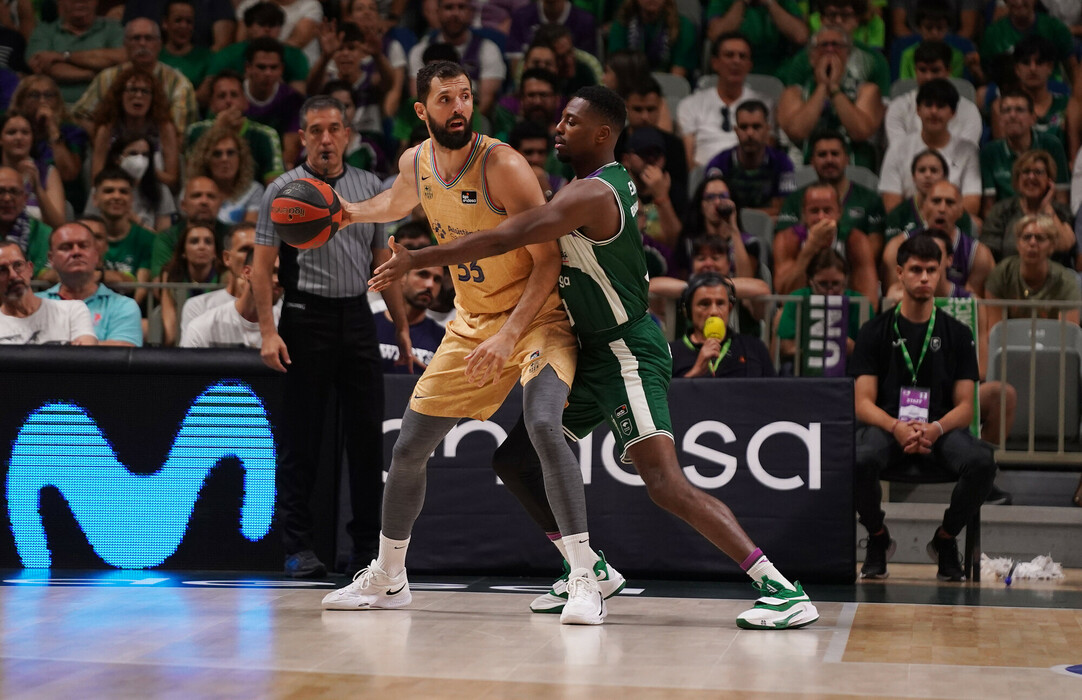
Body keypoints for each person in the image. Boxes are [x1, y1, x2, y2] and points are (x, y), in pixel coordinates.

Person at [365, 84, 820, 630]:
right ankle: (589, 569)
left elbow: (506, 236)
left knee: (664, 483)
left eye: (571, 122)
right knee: (515, 460)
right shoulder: (586, 186)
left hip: (627, 351)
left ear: (603, 134)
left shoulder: (593, 194)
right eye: (561, 119)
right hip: (592, 349)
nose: (559, 128)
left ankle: (780, 587)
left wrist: (420, 257)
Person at [319, 63, 623, 626]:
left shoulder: (504, 165)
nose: (458, 106)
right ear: (422, 110)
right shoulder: (415, 161)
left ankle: (585, 575)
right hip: (472, 322)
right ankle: (389, 575)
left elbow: (548, 261)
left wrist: (509, 336)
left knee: (542, 425)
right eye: (445, 98)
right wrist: (348, 213)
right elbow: (397, 201)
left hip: (537, 318)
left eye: (464, 96)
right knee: (409, 448)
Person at [251, 94, 413, 579]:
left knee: (366, 442)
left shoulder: (370, 186)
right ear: (303, 136)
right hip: (305, 317)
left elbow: (385, 261)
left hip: (357, 316)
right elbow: (261, 268)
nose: (326, 139)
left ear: (347, 134)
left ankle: (366, 552)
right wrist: (267, 332)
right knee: (301, 441)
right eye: (316, 130)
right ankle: (298, 547)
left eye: (334, 129)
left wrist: (402, 327)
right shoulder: (282, 190)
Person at [850, 233, 995, 581]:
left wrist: (935, 428)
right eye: (916, 270)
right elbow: (862, 403)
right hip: (888, 428)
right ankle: (877, 537)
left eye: (932, 270)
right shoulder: (874, 330)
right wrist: (896, 427)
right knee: (857, 459)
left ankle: (945, 539)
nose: (925, 278)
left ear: (941, 271)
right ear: (900, 273)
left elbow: (966, 407)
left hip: (940, 431)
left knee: (982, 462)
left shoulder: (958, 332)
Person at [776, 25, 885, 170]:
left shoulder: (867, 91)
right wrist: (822, 87)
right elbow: (798, 132)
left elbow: (860, 132)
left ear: (847, 54)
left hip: (853, 169)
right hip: (806, 170)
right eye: (824, 45)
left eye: (836, 45)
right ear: (812, 57)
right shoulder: (793, 93)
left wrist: (834, 88)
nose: (830, 50)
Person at [775, 130, 886, 266]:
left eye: (835, 154)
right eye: (822, 155)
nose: (829, 160)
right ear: (812, 161)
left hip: (854, 269)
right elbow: (785, 245)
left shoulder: (870, 199)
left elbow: (874, 247)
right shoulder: (794, 199)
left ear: (847, 159)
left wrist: (840, 269)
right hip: (806, 269)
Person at [72, 17, 198, 136]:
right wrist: (106, 140)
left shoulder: (179, 84)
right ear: (125, 45)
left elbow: (179, 134)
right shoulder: (107, 78)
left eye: (149, 38)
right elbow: (80, 115)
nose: (142, 43)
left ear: (159, 45)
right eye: (136, 38)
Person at [879, 78, 981, 219]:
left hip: (952, 222)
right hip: (909, 222)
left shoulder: (968, 150)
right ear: (918, 110)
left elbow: (971, 204)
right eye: (928, 105)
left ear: (952, 113)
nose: (934, 111)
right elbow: (892, 206)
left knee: (976, 224)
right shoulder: (897, 148)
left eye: (940, 106)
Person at [882, 181, 994, 298]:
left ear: (961, 210)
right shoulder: (896, 247)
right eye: (936, 201)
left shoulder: (978, 255)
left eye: (949, 202)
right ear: (923, 208)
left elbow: (974, 304)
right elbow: (894, 296)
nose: (942, 209)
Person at [37, 222, 142, 346]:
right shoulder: (35, 303)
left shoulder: (123, 306)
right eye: (66, 247)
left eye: (83, 246)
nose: (76, 252)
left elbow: (123, 351)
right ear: (51, 258)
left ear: (96, 255)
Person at [774, 180, 879, 303]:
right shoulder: (787, 239)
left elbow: (869, 301)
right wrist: (810, 247)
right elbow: (784, 297)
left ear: (839, 212)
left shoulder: (856, 240)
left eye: (827, 210)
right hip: (800, 310)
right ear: (804, 214)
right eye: (814, 211)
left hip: (844, 308)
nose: (821, 217)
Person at [677, 33, 767, 168]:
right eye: (729, 55)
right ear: (715, 63)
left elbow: (766, 153)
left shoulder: (764, 105)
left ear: (749, 65)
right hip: (703, 176)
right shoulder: (690, 104)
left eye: (742, 56)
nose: (736, 61)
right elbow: (688, 160)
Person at [407, 0, 507, 117]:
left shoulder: (487, 49)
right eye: (449, 8)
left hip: (475, 120)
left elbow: (486, 102)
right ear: (438, 12)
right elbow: (418, 97)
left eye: (461, 7)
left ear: (471, 12)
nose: (455, 13)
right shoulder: (420, 50)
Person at [184, 71, 285, 186]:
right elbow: (191, 179)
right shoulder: (195, 131)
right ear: (212, 104)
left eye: (234, 95)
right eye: (221, 96)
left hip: (253, 195)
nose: (228, 101)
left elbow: (276, 187)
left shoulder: (265, 135)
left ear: (245, 102)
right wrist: (217, 130)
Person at [88, 66, 180, 190]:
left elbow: (173, 180)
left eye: (145, 91)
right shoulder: (106, 129)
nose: (138, 95)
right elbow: (96, 179)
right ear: (120, 95)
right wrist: (122, 167)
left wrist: (145, 168)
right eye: (132, 90)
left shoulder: (164, 128)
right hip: (116, 191)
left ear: (153, 98)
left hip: (155, 192)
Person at [981, 150, 1077, 269]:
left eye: (1038, 172)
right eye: (1026, 172)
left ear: (1049, 180)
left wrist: (1046, 206)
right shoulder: (1001, 210)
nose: (1031, 177)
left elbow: (1065, 245)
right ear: (1017, 180)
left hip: (1053, 277)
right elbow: (988, 254)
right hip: (1010, 276)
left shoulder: (1060, 212)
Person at [776, 248, 868, 370]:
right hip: (803, 365)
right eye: (823, 284)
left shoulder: (859, 303)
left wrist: (852, 348)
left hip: (847, 365)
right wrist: (817, 350)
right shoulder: (796, 300)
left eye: (836, 284)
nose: (830, 292)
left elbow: (869, 351)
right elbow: (787, 348)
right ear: (811, 281)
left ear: (845, 280)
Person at [670, 272, 776, 378]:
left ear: (729, 308)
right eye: (705, 304)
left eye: (720, 303)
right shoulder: (669, 353)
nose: (714, 311)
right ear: (688, 311)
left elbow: (773, 388)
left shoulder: (754, 348)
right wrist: (695, 372)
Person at [980, 90, 1070, 214]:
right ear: (1000, 119)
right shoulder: (990, 152)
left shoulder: (1052, 145)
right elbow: (989, 207)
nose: (1012, 115)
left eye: (1019, 110)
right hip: (1005, 220)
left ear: (1033, 118)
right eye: (1006, 111)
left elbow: (1062, 197)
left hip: (1046, 216)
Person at [9, 74, 90, 212]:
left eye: (48, 95)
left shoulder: (71, 132)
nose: (42, 101)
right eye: (34, 95)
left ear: (57, 101)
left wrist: (53, 129)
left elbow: (68, 174)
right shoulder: (12, 131)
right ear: (21, 101)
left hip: (62, 202)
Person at [984, 214, 1082, 327]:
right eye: (1026, 237)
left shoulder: (1065, 282)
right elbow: (995, 331)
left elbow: (1067, 335)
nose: (1032, 243)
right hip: (1010, 338)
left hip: (1052, 338)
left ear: (1052, 245)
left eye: (1040, 238)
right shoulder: (1002, 275)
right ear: (1017, 243)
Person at [702, 100, 795, 217]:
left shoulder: (782, 162)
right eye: (744, 127)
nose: (750, 133)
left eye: (756, 127)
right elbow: (714, 208)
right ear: (736, 131)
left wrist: (740, 213)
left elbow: (784, 211)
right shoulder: (719, 164)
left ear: (767, 129)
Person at [884, 40, 982, 149]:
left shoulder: (969, 110)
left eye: (935, 71)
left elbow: (965, 153)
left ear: (948, 71)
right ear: (915, 71)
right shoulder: (898, 107)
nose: (928, 77)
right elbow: (899, 151)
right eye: (922, 70)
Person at [26, 0, 125, 105]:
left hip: (103, 107)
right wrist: (99, 75)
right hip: (55, 107)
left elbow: (121, 58)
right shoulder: (44, 31)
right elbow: (47, 67)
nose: (80, 1)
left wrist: (63, 56)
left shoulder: (113, 29)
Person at [0, 240, 96, 345]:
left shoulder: (72, 310)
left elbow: (86, 352)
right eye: (2, 270)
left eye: (18, 265)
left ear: (30, 269)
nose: (13, 275)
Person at [182, 248, 282, 348]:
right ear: (247, 272)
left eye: (283, 274)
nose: (278, 280)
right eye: (271, 271)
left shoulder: (287, 326)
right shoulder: (203, 327)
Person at [86, 132, 177, 231]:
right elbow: (88, 229)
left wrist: (136, 221)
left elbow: (163, 238)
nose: (139, 160)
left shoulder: (160, 190)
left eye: (145, 155)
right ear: (117, 158)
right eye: (133, 153)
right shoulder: (102, 188)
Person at [180, 223, 258, 337]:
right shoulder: (198, 306)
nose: (252, 257)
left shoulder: (278, 308)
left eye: (256, 251)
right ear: (227, 258)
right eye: (245, 249)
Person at [93, 168, 156, 308]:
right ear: (95, 199)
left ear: (132, 199)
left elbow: (140, 289)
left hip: (130, 310)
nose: (117, 196)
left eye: (123, 192)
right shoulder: (82, 237)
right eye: (109, 191)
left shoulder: (147, 239)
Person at [242, 37, 305, 168]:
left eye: (273, 67)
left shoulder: (292, 100)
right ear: (248, 67)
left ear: (281, 69)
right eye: (261, 67)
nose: (268, 73)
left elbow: (290, 152)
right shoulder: (232, 95)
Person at [704, 0, 809, 76]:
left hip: (776, 70)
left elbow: (801, 36)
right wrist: (741, 3)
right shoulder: (722, 2)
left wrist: (770, 3)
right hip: (734, 68)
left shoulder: (784, 2)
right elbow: (715, 35)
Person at [159, 223, 223, 347]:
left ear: (215, 252)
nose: (202, 247)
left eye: (208, 242)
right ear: (183, 251)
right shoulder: (171, 275)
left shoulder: (226, 277)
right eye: (194, 241)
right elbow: (170, 327)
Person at [375, 263, 446, 373]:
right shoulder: (368, 326)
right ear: (402, 277)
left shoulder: (444, 340)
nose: (430, 284)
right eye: (423, 275)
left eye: (437, 280)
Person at [0, 111, 65, 229]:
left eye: (25, 132)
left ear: (32, 138)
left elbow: (59, 226)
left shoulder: (47, 172)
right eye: (11, 132)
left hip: (39, 238)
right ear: (1, 139)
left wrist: (38, 189)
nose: (19, 137)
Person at [187, 126, 263, 225]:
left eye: (230, 153)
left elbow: (250, 230)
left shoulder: (253, 190)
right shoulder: (193, 189)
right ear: (206, 159)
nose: (224, 159)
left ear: (240, 158)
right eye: (217, 154)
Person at [606, 0, 698, 79]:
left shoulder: (683, 27)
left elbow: (677, 77)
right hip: (630, 86)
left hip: (669, 87)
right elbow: (618, 70)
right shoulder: (622, 24)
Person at [0, 165, 52, 271]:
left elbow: (44, 273)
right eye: (0, 191)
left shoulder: (43, 233)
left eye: (14, 191)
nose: (7, 198)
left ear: (25, 198)